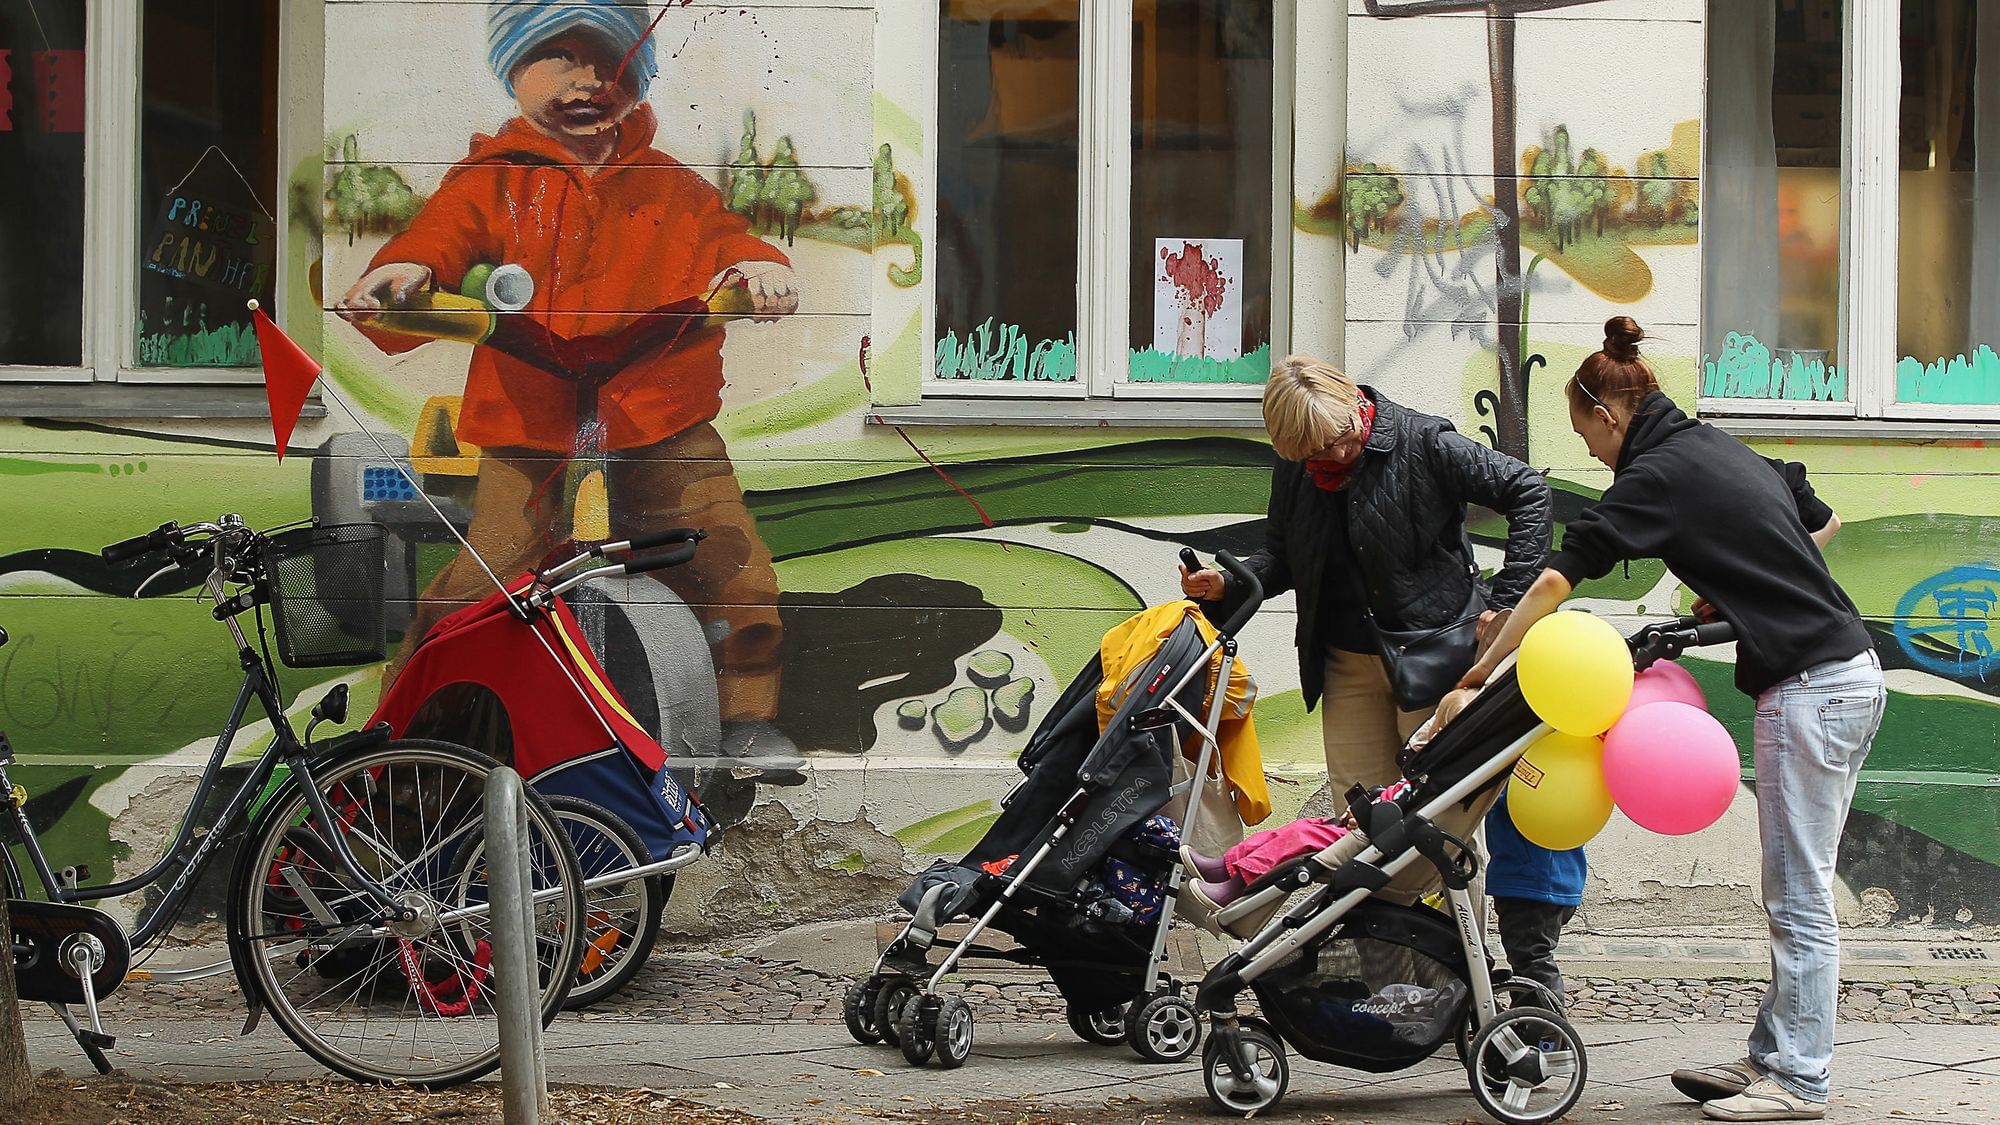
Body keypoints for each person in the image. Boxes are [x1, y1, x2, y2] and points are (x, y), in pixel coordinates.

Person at [338, 1, 802, 772]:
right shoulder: (494, 179)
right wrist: (407, 272)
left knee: (729, 559)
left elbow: (723, 237)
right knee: (479, 581)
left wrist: (756, 268)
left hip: (660, 416)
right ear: (514, 71)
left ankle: (744, 716)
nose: (588, 81)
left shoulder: (666, 184)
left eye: (609, 60)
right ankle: (415, 730)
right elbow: (440, 236)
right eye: (559, 57)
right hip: (532, 424)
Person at [1448, 317, 1885, 1122]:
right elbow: (1817, 520)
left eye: (1588, 437)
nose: (1592, 455)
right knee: (1794, 882)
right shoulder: (1720, 449)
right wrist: (1753, 581)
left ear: (1609, 416)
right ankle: (1771, 1056)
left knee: (1797, 893)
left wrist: (1481, 670)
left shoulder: (1654, 476)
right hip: (1846, 673)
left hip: (1810, 687)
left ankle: (1800, 1079)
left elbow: (1554, 582)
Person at [1181, 356, 1552, 811]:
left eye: (1339, 438)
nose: (1333, 455)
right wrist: (1228, 583)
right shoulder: (1297, 467)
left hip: (1437, 652)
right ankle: (1378, 889)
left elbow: (1529, 491)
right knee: (1360, 817)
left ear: (1355, 402)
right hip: (1345, 662)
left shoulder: (1425, 443)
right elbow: (1282, 555)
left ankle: (1449, 888)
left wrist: (1508, 605)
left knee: (1445, 813)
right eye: (1315, 452)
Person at [1483, 790, 1584, 1009]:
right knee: (1525, 958)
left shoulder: (1532, 773)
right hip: (1543, 879)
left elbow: (1505, 795)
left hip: (1533, 882)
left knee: (1532, 957)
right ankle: (1527, 1020)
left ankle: (1546, 1029)